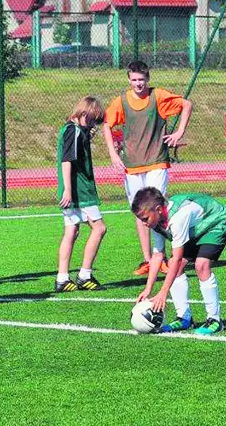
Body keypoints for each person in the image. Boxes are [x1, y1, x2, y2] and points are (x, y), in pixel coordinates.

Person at [102, 60, 193, 276]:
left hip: (156, 161)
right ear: (129, 80)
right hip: (132, 165)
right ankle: (147, 260)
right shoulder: (122, 101)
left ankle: (160, 255)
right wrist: (113, 154)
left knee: (156, 208)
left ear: (148, 79)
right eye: (134, 80)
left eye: (141, 80)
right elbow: (106, 123)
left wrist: (179, 132)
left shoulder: (158, 96)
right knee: (140, 212)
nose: (138, 84)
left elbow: (186, 104)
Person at [133, 187, 226, 336]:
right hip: (195, 228)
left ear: (159, 209)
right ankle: (184, 319)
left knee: (201, 265)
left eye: (145, 218)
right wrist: (148, 289)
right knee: (175, 265)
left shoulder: (179, 217)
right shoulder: (156, 222)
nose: (144, 223)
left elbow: (178, 258)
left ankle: (214, 320)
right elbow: (157, 256)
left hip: (216, 222)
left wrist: (163, 292)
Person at [55, 96, 107, 292]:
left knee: (72, 231)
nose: (94, 124)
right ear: (85, 114)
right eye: (93, 119)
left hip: (76, 190)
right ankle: (84, 275)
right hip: (79, 191)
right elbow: (66, 161)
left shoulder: (73, 130)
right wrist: (68, 189)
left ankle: (62, 278)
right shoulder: (72, 131)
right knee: (99, 228)